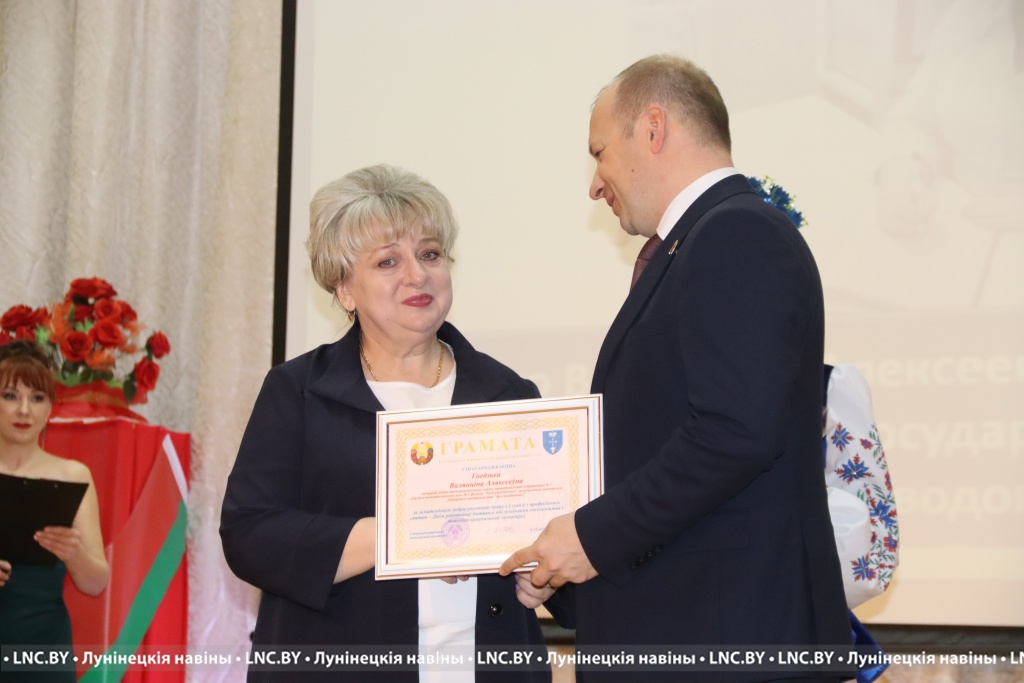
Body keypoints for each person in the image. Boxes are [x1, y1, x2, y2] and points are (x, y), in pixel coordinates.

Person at [500, 55, 854, 682]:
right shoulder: (704, 239)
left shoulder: (737, 233)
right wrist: (568, 568)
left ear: (654, 128)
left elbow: (733, 434)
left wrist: (589, 539)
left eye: (600, 153)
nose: (595, 184)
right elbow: (662, 444)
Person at [220, 164, 567, 683]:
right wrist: (405, 537)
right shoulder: (298, 391)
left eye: (430, 254)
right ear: (344, 289)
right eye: (388, 261)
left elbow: (550, 546)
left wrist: (545, 577)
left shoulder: (509, 393)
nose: (417, 275)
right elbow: (250, 535)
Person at [0, 340, 109, 680]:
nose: (24, 410)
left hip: (43, 647)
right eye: (10, 396)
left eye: (37, 398)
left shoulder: (72, 476)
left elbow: (96, 582)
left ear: (50, 406)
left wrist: (75, 553)